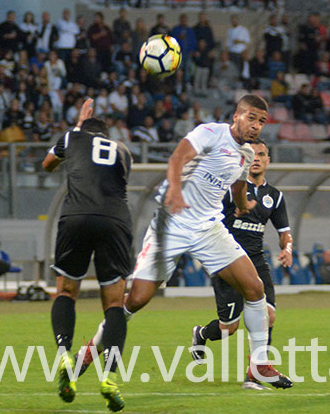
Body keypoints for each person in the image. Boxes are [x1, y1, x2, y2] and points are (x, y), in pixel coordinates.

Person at [77, 95, 292, 389]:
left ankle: (259, 366)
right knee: (137, 300)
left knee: (255, 288)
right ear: (236, 116)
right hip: (173, 224)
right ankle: (90, 351)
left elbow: (239, 183)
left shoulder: (244, 153)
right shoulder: (210, 133)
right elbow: (177, 158)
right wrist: (176, 191)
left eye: (262, 121)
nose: (256, 126)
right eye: (251, 118)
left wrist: (243, 203)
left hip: (208, 228)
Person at [42, 99, 131, 412]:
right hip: (115, 220)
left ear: (84, 128)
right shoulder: (123, 151)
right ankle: (109, 377)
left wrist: (77, 125)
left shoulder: (72, 137)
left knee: (66, 291)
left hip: (76, 216)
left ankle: (66, 352)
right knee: (115, 304)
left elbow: (47, 164)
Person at [190, 138, 293, 390]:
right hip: (228, 259)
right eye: (252, 154)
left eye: (261, 154)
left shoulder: (275, 197)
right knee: (229, 328)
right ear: (244, 159)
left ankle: (254, 375)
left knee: (268, 315)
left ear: (268, 160)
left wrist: (287, 248)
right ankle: (201, 334)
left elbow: (284, 231)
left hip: (257, 260)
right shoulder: (231, 188)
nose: (256, 157)